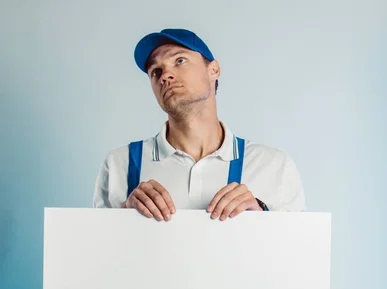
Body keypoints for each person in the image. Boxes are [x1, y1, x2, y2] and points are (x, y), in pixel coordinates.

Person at [93, 28, 306, 221]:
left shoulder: (273, 165)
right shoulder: (120, 165)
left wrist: (262, 218)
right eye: (155, 71)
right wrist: (121, 219)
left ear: (214, 70)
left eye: (179, 60)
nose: (165, 75)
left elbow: (300, 255)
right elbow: (94, 255)